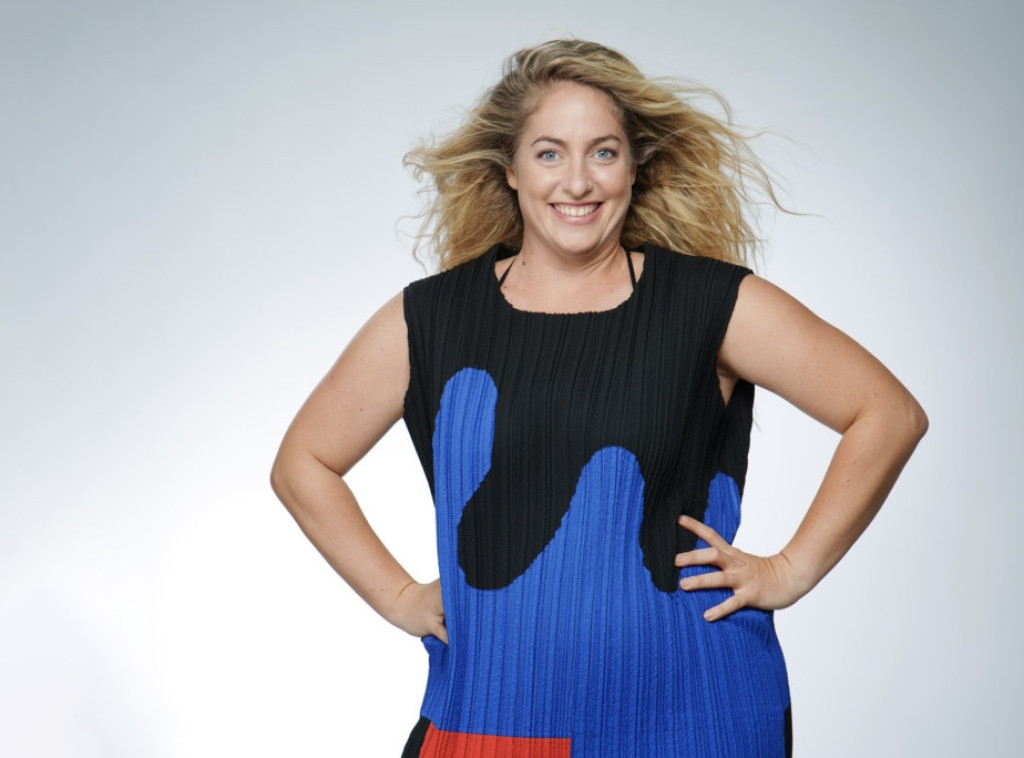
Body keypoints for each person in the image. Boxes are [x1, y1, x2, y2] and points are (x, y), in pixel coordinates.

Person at [271, 39, 927, 757]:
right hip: (495, 714)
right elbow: (303, 463)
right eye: (550, 153)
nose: (578, 181)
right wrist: (399, 596)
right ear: (512, 170)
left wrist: (791, 570)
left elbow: (887, 413)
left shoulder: (707, 304)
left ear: (635, 167)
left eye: (604, 152)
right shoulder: (430, 319)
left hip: (694, 716)